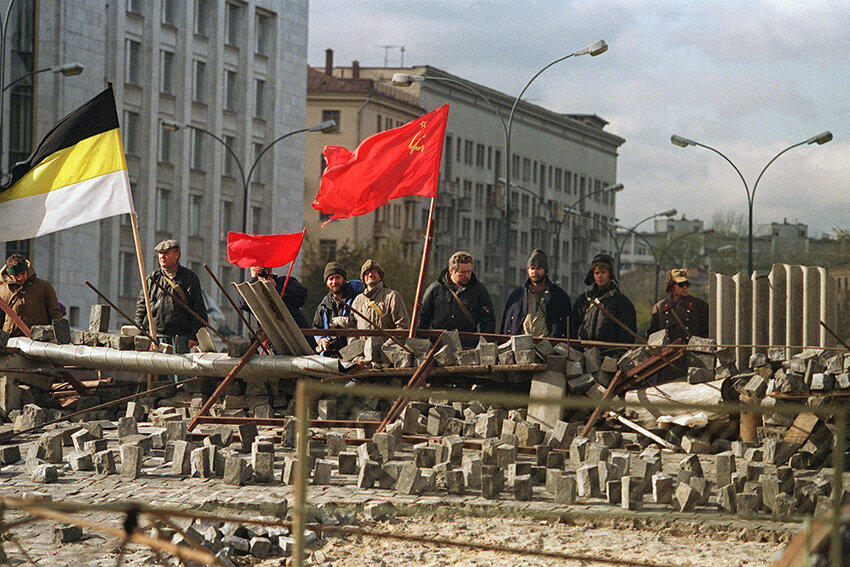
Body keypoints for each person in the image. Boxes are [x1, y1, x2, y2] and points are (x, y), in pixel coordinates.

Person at [135, 239, 207, 354]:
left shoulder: (188, 277)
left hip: (180, 338)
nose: (162, 257)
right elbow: (141, 307)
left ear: (177, 255)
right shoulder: (153, 278)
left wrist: (194, 337)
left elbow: (198, 309)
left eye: (166, 253)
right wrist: (140, 331)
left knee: (180, 371)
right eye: (160, 253)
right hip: (155, 337)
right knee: (157, 371)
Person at [419, 251, 495, 339]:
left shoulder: (479, 291)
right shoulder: (435, 289)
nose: (467, 275)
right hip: (438, 344)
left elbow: (488, 320)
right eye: (462, 272)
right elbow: (423, 318)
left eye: (469, 271)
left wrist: (484, 344)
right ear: (452, 271)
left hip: (468, 345)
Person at [570, 253, 636, 352]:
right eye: (597, 273)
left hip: (610, 357)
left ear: (610, 274)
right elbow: (574, 328)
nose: (600, 276)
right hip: (583, 354)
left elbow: (627, 335)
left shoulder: (622, 303)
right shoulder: (584, 300)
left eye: (603, 272)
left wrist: (616, 354)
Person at [502, 249, 571, 338]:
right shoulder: (518, 295)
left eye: (538, 268)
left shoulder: (559, 296)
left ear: (545, 270)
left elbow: (567, 327)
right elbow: (508, 325)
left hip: (549, 348)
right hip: (521, 347)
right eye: (532, 268)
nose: (534, 272)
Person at [0, 254, 64, 337]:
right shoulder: (2, 289)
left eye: (23, 273)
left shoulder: (43, 286)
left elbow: (55, 312)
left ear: (27, 270)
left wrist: (60, 335)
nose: (20, 278)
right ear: (9, 274)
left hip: (38, 339)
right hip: (10, 340)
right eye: (16, 275)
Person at [312, 261, 362, 357]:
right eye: (331, 279)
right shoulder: (323, 305)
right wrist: (321, 340)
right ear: (326, 282)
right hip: (330, 355)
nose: (334, 282)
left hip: (355, 353)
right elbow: (317, 327)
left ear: (344, 279)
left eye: (337, 277)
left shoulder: (358, 298)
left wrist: (345, 322)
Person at [647, 268, 709, 341]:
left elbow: (706, 334)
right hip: (667, 351)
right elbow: (652, 336)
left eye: (687, 284)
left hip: (691, 350)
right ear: (671, 286)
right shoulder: (660, 307)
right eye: (681, 284)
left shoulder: (700, 305)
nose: (685, 287)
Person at [349, 259, 409, 329]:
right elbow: (351, 326)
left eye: (374, 272)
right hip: (362, 340)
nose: (370, 275)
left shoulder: (392, 296)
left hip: (386, 340)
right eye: (367, 273)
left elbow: (402, 326)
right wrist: (354, 340)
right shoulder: (358, 300)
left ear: (380, 276)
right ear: (363, 278)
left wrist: (390, 340)